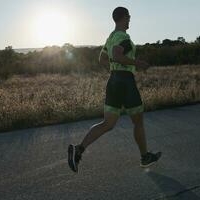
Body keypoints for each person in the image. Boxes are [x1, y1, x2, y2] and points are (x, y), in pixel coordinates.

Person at [68, 6, 161, 173]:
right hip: (125, 82)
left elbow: (102, 58)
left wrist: (113, 71)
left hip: (113, 81)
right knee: (138, 121)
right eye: (129, 17)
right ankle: (145, 157)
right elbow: (117, 56)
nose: (130, 19)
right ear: (124, 17)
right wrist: (137, 63)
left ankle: (79, 149)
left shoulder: (111, 37)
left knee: (107, 124)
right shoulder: (123, 36)